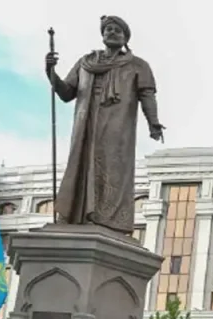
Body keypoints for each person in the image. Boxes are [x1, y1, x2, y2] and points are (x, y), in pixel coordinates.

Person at [44, 15, 165, 234]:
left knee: (112, 167)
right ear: (102, 34)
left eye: (117, 30)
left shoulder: (138, 65)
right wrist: (51, 73)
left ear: (125, 37)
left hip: (117, 126)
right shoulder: (86, 62)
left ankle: (107, 219)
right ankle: (72, 214)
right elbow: (66, 93)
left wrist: (153, 123)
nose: (112, 32)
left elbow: (147, 94)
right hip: (86, 123)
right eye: (108, 29)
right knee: (80, 164)